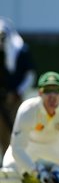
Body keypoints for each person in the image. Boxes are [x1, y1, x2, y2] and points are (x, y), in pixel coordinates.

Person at [0, 17, 36, 154]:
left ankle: (18, 161)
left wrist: (17, 92)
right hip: (2, 99)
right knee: (2, 133)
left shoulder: (21, 50)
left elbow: (30, 75)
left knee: (17, 131)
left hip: (15, 99)